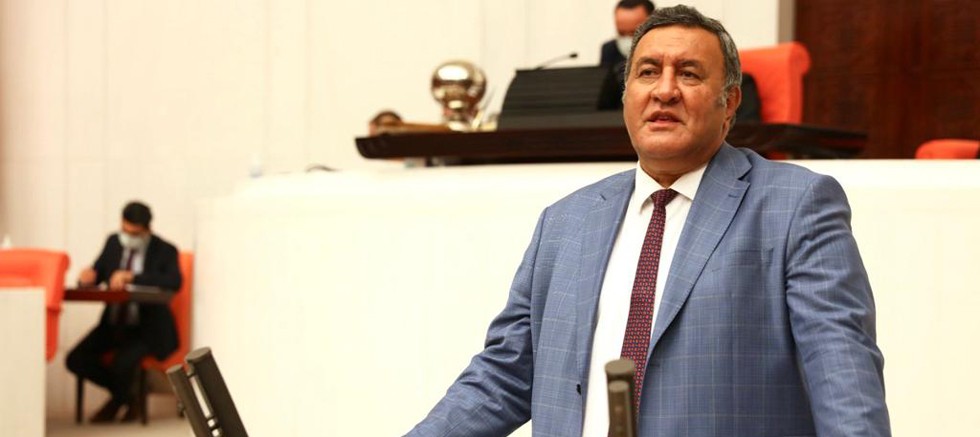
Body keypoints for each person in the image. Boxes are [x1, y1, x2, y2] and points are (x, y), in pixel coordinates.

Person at [407, 5, 890, 437]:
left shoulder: (794, 205)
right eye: (647, 72)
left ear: (730, 103)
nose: (664, 90)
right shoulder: (566, 221)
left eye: (689, 74)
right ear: (626, 96)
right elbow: (504, 374)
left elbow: (841, 371)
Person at [66, 201, 182, 423]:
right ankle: (129, 398)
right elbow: (98, 273)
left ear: (147, 230)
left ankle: (118, 402)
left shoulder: (165, 250)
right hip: (113, 325)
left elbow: (174, 282)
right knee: (76, 359)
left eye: (134, 233)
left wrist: (133, 277)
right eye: (125, 230)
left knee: (123, 363)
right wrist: (86, 279)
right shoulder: (113, 242)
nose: (128, 237)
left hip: (148, 330)